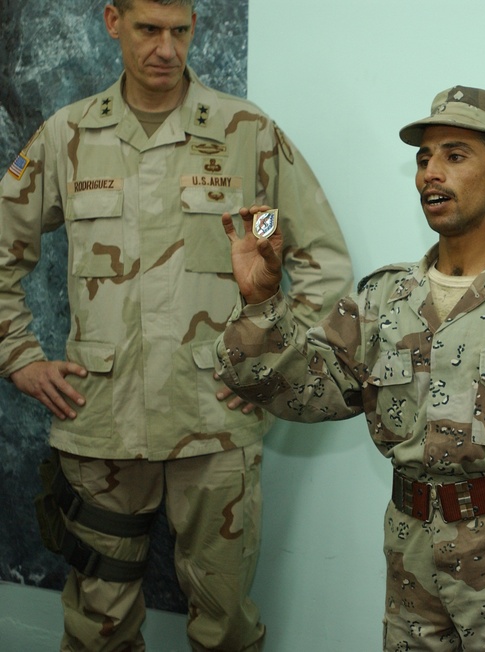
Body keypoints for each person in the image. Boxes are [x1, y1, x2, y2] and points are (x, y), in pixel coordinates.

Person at [216, 86, 485, 651]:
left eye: (454, 155)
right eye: (423, 159)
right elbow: (302, 393)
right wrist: (261, 303)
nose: (430, 174)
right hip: (411, 553)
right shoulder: (385, 297)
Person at [0, 0, 352, 649]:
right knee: (98, 625)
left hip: (215, 428)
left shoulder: (245, 135)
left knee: (225, 624)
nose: (166, 47)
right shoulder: (69, 136)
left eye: (180, 31)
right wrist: (18, 352)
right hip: (101, 422)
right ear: (112, 22)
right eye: (148, 29)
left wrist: (267, 367)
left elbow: (320, 259)